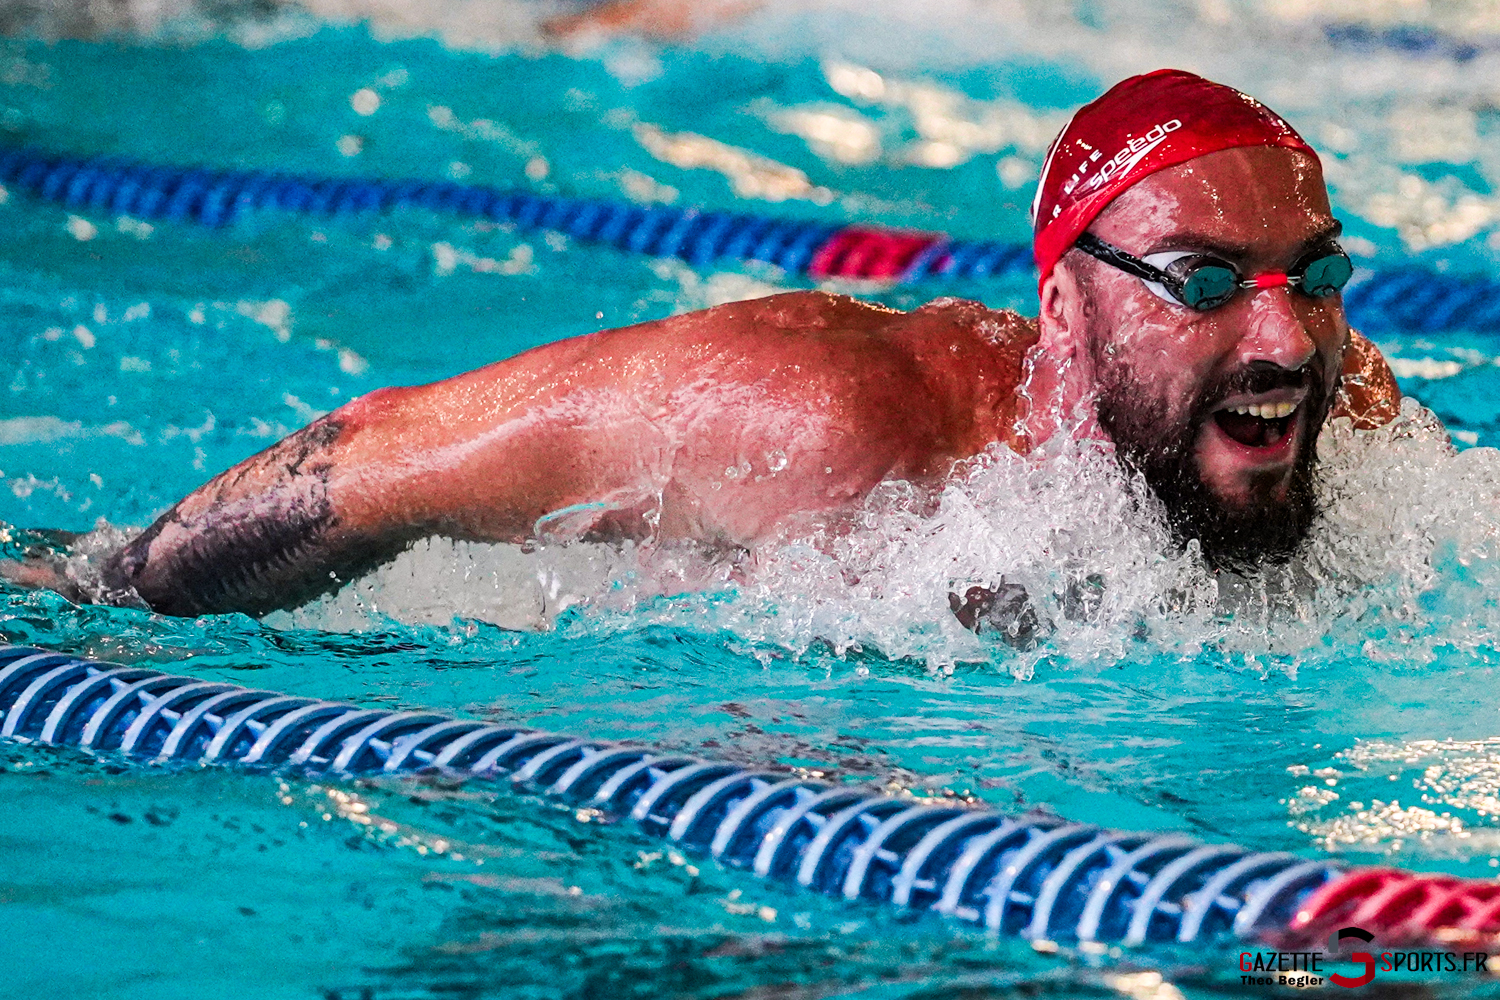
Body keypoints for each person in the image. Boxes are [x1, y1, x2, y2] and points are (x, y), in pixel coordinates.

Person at [33, 69, 1404, 619]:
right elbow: (382, 455)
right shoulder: (825, 418)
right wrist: (87, 598)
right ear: (1064, 307)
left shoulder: (1335, 415)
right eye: (1204, 280)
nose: (1283, 335)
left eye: (1314, 273)